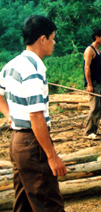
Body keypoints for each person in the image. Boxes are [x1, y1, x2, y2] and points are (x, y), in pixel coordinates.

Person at [0, 15, 67, 211]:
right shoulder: (33, 70)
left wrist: (10, 116)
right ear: (42, 39)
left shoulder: (11, 65)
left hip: (17, 142)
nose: (54, 43)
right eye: (53, 37)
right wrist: (52, 156)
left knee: (24, 203)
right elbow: (36, 115)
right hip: (32, 144)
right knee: (48, 203)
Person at [84, 28, 101, 136]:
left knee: (99, 107)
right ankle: (88, 132)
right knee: (94, 108)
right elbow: (87, 68)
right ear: (96, 37)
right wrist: (89, 84)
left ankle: (94, 130)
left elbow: (99, 70)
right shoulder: (89, 50)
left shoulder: (98, 51)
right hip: (92, 83)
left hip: (98, 83)